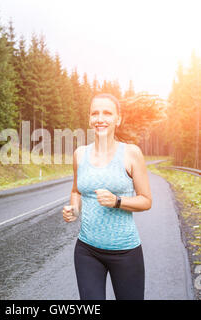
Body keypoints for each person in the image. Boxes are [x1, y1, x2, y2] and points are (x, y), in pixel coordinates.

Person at [62, 93, 152, 300]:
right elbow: (77, 190)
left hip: (125, 252)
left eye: (107, 113)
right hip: (87, 251)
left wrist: (118, 201)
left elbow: (146, 200)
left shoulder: (131, 153)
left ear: (118, 119)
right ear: (89, 119)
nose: (100, 118)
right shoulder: (80, 154)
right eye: (95, 113)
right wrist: (74, 210)